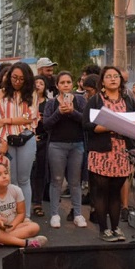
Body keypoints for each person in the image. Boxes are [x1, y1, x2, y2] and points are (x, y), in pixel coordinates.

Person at [83, 66, 135, 242]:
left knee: (115, 192)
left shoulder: (128, 100)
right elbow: (87, 124)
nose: (113, 79)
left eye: (116, 76)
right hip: (101, 151)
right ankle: (103, 229)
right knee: (101, 192)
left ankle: (116, 227)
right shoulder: (96, 100)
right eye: (108, 76)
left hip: (121, 150)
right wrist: (110, 126)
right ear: (102, 81)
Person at [0, 61, 38, 218]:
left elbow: (29, 117)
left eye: (21, 79)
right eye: (14, 77)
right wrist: (3, 141)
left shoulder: (32, 93)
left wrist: (7, 120)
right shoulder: (1, 93)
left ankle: (25, 216)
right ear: (9, 76)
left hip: (26, 139)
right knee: (9, 180)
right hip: (6, 140)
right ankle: (11, 215)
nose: (17, 81)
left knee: (24, 179)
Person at [43, 71, 87, 229]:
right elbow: (46, 124)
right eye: (62, 82)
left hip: (77, 145)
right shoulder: (51, 103)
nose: (66, 85)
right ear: (57, 85)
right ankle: (54, 214)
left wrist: (72, 112)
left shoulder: (80, 100)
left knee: (75, 182)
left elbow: (86, 121)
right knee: (56, 181)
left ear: (72, 84)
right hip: (57, 145)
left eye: (68, 82)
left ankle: (78, 213)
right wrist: (59, 113)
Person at [0, 162, 46, 248]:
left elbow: (21, 213)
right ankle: (25, 243)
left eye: (6, 173)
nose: (4, 176)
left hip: (11, 226)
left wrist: (11, 227)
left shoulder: (16, 190)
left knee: (34, 226)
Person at [30, 75, 50, 218]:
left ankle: (38, 203)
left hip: (44, 140)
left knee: (40, 172)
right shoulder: (26, 102)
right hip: (28, 139)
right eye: (35, 83)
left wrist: (45, 119)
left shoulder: (49, 103)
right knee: (27, 174)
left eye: (41, 83)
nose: (38, 85)